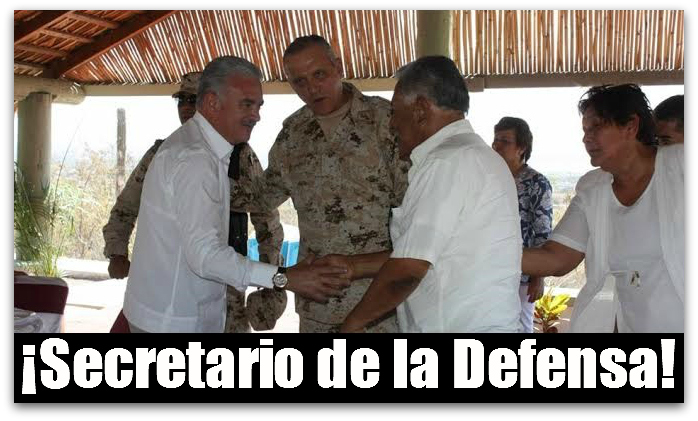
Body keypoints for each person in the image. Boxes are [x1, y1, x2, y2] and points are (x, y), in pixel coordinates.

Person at [121, 56, 349, 333]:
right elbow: (205, 255)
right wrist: (285, 278)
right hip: (174, 322)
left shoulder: (202, 147)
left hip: (168, 312)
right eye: (246, 104)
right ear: (212, 103)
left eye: (258, 106)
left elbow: (264, 218)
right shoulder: (195, 159)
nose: (256, 115)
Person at [319, 56, 523, 333]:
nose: (392, 123)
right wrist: (353, 266)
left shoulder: (446, 162)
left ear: (420, 110)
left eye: (394, 111)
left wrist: (349, 327)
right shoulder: (477, 156)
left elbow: (408, 270)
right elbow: (424, 250)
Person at [237, 35, 409, 333]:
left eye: (319, 74)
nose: (312, 88)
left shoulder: (385, 122)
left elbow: (414, 213)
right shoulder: (293, 134)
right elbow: (260, 198)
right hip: (317, 305)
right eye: (300, 81)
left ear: (338, 67)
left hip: (379, 306)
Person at [102, 72, 284, 333]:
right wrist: (117, 250)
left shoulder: (241, 157)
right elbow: (127, 206)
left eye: (193, 99)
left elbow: (267, 220)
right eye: (182, 100)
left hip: (231, 282)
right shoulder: (165, 152)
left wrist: (271, 285)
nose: (187, 107)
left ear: (210, 103)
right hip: (170, 288)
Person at [522, 84, 684, 333]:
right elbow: (556, 258)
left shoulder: (681, 167)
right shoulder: (593, 189)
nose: (586, 138)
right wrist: (485, 250)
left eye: (596, 127)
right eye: (585, 130)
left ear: (631, 126)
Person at [492, 117, 552, 333]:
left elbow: (543, 231)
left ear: (522, 148)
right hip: (492, 268)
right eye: (495, 139)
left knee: (521, 328)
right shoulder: (491, 178)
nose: (496, 145)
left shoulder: (536, 182)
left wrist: (538, 276)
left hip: (523, 272)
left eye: (505, 141)